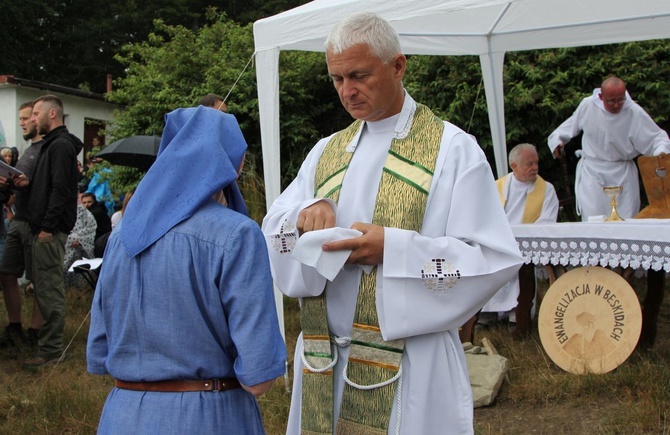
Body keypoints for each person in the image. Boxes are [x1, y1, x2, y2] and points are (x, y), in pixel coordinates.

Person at [262, 12, 523, 434]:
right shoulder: (327, 152)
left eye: (359, 75)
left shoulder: (453, 150)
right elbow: (274, 227)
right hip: (325, 362)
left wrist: (395, 250)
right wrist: (306, 214)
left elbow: (493, 258)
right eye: (337, 79)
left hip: (410, 365)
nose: (347, 91)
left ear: (398, 66)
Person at [87, 106, 286, 434]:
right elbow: (260, 375)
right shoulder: (237, 234)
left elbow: (98, 350)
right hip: (206, 416)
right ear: (235, 163)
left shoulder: (121, 234)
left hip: (122, 415)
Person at [12, 95, 83, 370]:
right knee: (41, 286)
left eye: (36, 114)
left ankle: (52, 350)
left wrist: (47, 227)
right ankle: (48, 346)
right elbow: (48, 185)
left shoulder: (61, 146)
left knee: (49, 289)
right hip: (42, 228)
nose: (32, 120)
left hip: (49, 231)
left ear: (52, 114)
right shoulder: (51, 146)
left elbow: (61, 190)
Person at [548, 76, 670, 220]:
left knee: (626, 221)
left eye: (620, 99)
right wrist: (557, 141)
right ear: (601, 96)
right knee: (593, 219)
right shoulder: (588, 105)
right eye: (611, 100)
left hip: (623, 174)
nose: (617, 105)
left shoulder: (633, 112)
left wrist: (660, 153)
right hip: (593, 174)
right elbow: (568, 127)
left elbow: (657, 138)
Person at [479, 143, 559, 336]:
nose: (535, 168)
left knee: (518, 264)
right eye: (529, 164)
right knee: (487, 262)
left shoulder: (546, 190)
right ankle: (487, 313)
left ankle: (517, 314)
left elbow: (546, 222)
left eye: (536, 163)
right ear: (514, 166)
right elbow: (484, 216)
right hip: (498, 243)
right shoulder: (497, 187)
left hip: (526, 246)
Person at [0, 102, 45, 350]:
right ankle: (14, 326)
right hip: (18, 218)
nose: (22, 122)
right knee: (7, 273)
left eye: (26, 118)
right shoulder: (27, 150)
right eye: (20, 119)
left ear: (37, 120)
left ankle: (35, 331)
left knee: (37, 279)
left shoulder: (46, 150)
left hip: (34, 222)